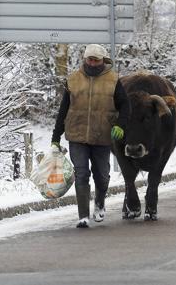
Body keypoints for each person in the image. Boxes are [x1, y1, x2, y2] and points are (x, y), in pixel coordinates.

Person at [52, 44, 127, 228]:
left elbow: (125, 107)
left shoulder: (113, 80)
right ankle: (83, 215)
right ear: (85, 59)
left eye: (96, 60)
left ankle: (100, 203)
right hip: (77, 134)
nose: (93, 63)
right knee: (81, 173)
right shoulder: (74, 79)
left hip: (102, 135)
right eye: (90, 59)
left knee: (101, 175)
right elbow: (63, 110)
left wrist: (120, 125)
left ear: (103, 61)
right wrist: (56, 137)